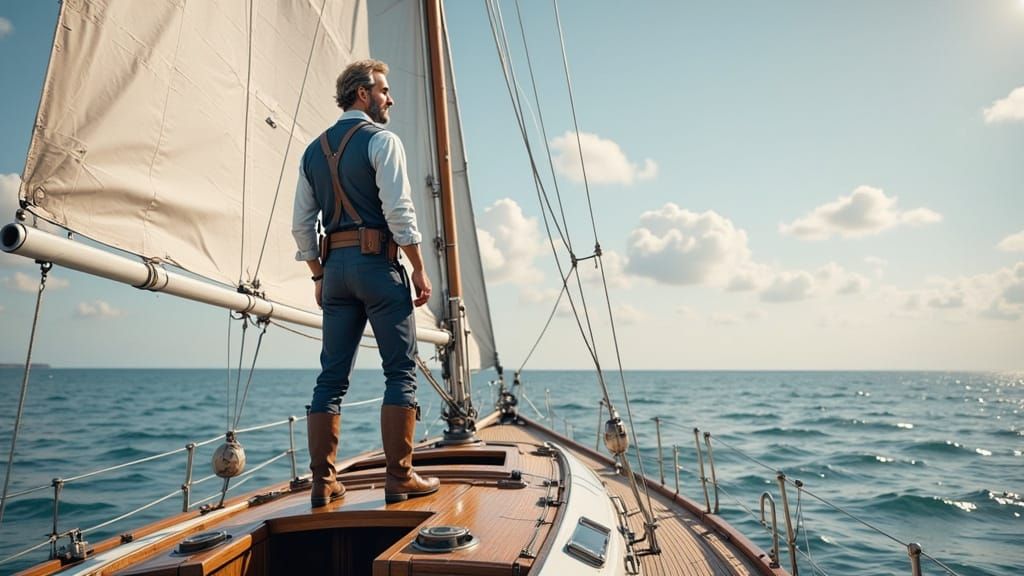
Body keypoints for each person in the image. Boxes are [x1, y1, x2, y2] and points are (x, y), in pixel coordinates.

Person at [291, 59, 439, 507]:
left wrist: (318, 274)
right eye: (385, 91)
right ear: (362, 93)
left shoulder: (312, 151)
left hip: (334, 272)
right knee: (399, 372)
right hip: (378, 266)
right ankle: (400, 477)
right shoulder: (382, 141)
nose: (390, 98)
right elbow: (399, 212)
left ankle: (324, 483)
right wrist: (418, 266)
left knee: (331, 378)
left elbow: (301, 225)